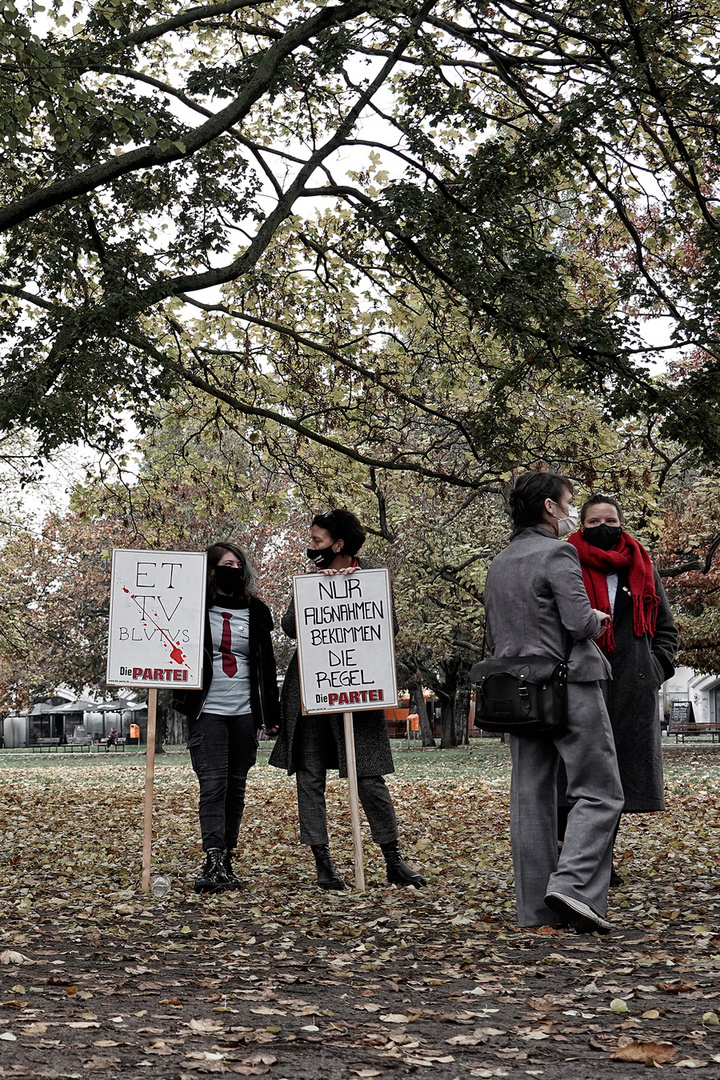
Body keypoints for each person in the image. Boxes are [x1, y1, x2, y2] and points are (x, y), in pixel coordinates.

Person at [483, 471, 624, 932]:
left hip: (517, 693)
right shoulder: (558, 552)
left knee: (530, 797)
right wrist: (599, 615)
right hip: (569, 684)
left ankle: (535, 912)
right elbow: (580, 623)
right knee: (600, 790)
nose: (570, 512)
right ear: (549, 506)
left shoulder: (499, 562)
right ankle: (574, 885)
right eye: (568, 503)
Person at [269, 509, 425, 890]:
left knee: (369, 779)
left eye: (318, 541)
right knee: (310, 778)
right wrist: (317, 589)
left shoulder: (372, 577)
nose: (311, 547)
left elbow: (388, 626)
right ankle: (323, 864)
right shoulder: (309, 580)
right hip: (310, 693)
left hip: (358, 691)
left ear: (339, 545)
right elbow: (290, 627)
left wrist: (351, 589)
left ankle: (393, 860)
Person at [562, 495, 678, 882]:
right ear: (582, 524)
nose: (603, 526)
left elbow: (666, 628)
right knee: (580, 774)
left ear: (621, 523)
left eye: (610, 519)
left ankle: (601, 859)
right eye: (593, 521)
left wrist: (655, 668)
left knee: (618, 778)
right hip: (582, 683)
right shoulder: (566, 561)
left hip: (632, 686)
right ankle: (574, 857)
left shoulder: (642, 566)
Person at [174, 543, 281, 894]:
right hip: (207, 711)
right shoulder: (192, 609)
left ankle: (228, 859)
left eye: (238, 564)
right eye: (226, 564)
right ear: (210, 570)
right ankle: (213, 858)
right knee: (213, 786)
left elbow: (266, 667)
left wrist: (271, 714)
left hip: (245, 713)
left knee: (235, 788)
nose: (233, 569)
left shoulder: (256, 611)